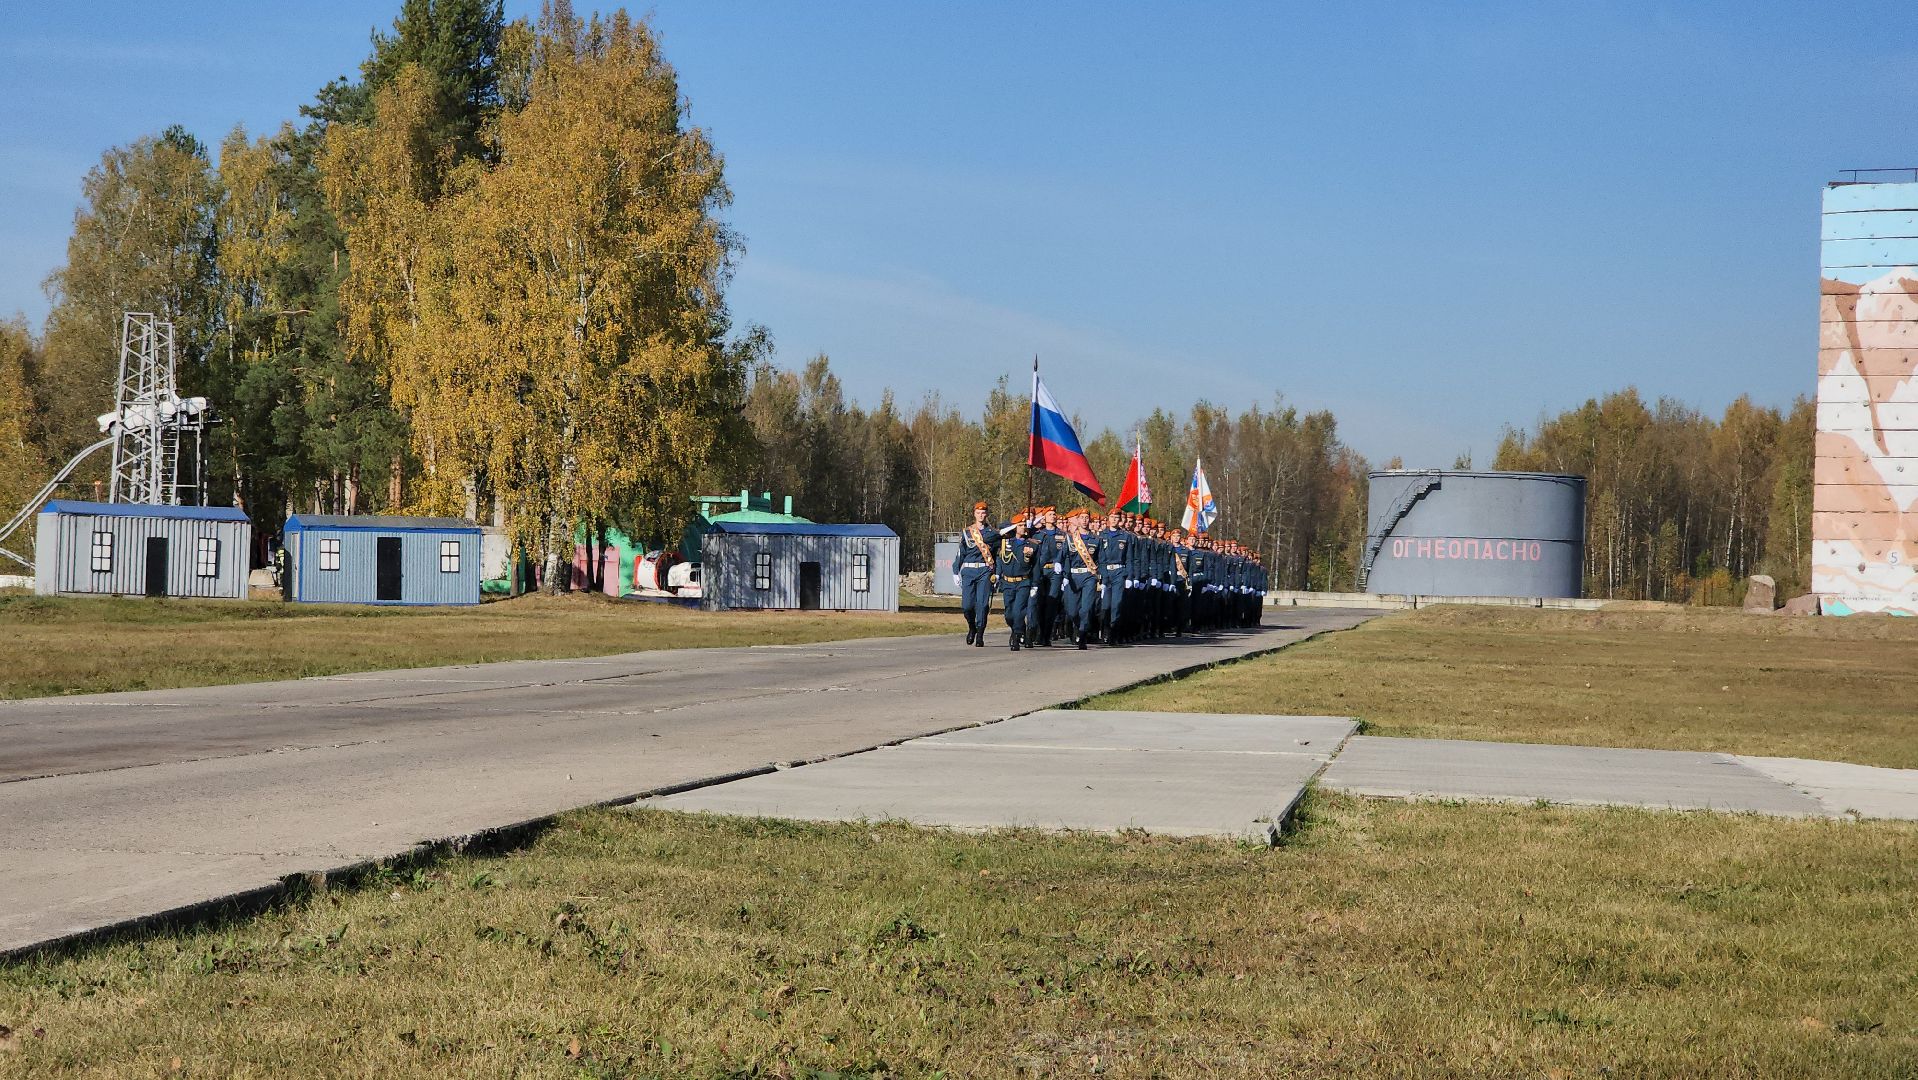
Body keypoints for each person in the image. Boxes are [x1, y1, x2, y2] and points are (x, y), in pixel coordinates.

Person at [953, 500, 1000, 647]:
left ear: (986, 514)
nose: (981, 515)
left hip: (985, 571)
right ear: (974, 514)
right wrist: (956, 571)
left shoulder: (992, 533)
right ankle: (972, 627)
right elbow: (961, 553)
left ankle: (980, 634)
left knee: (983, 605)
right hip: (968, 571)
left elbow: (997, 555)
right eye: (978, 512)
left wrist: (997, 573)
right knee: (967, 605)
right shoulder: (967, 532)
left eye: (983, 512)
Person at [996, 512, 1040, 652]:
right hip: (1008, 582)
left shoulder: (1032, 545)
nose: (1023, 528)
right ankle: (1016, 628)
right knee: (1009, 614)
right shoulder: (1006, 542)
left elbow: (1036, 566)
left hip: (1023, 582)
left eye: (1024, 525)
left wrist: (1035, 584)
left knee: (1018, 611)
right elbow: (999, 558)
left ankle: (1016, 635)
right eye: (1020, 525)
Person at [1059, 508, 1102, 649]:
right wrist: (1059, 568)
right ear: (1077, 520)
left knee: (1086, 608)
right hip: (1073, 576)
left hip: (1089, 576)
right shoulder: (1071, 539)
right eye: (1082, 517)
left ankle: (1083, 633)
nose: (1084, 520)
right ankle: (1078, 626)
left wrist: (1102, 579)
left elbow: (1101, 560)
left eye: (1086, 517)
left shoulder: (1095, 540)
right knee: (1072, 611)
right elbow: (1062, 556)